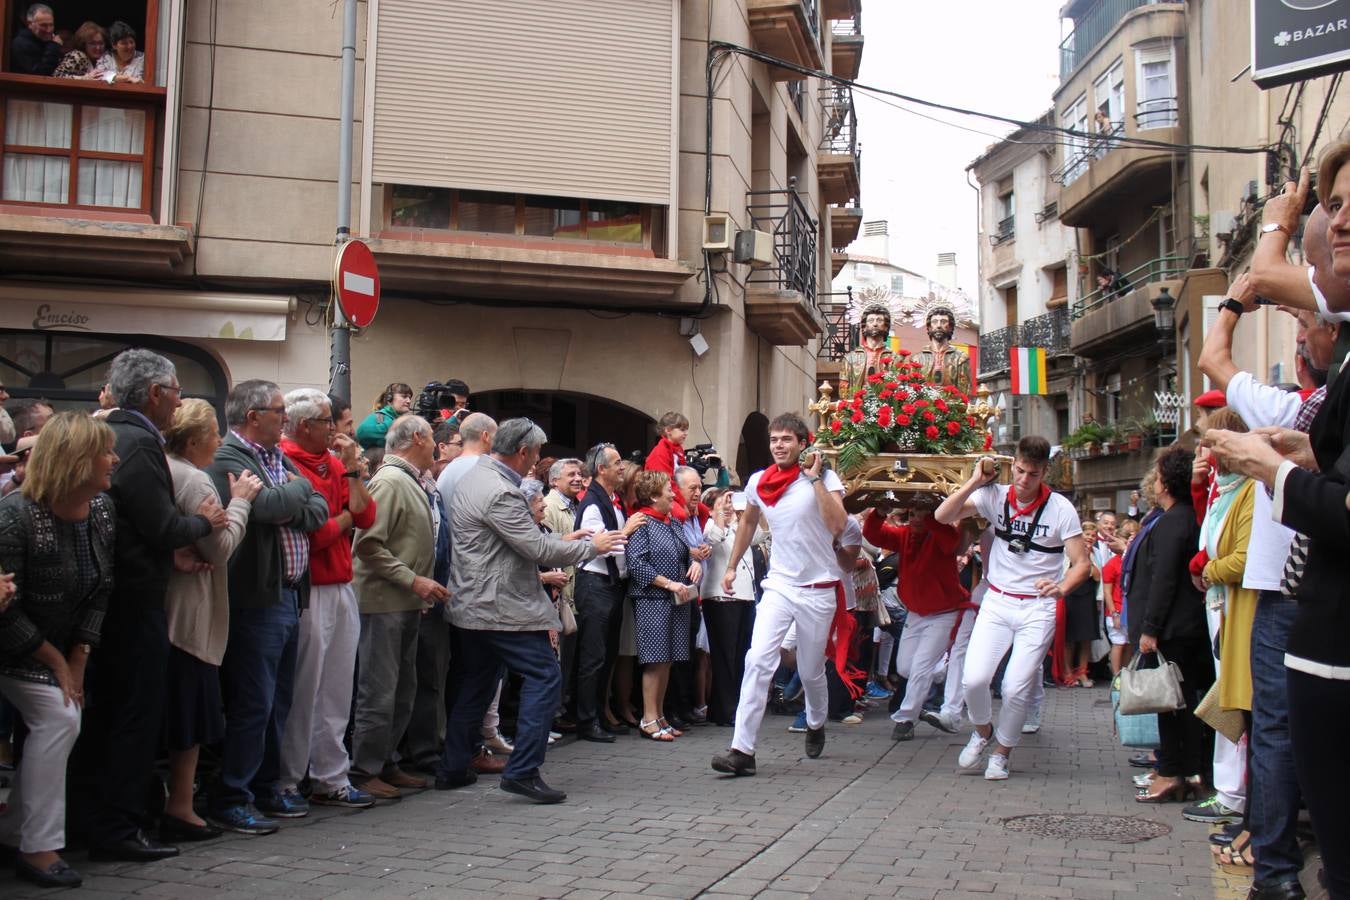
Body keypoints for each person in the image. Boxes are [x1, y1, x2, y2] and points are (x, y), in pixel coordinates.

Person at [72, 349, 225, 862]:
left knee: (114, 717)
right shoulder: (136, 441)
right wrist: (207, 524)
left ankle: (100, 820)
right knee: (132, 717)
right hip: (132, 605)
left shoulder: (126, 437)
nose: (180, 401)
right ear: (156, 393)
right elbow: (160, 526)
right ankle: (118, 828)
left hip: (123, 596)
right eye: (178, 391)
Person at [437, 419, 623, 803]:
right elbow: (536, 549)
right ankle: (522, 771)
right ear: (522, 452)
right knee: (543, 675)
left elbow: (524, 541)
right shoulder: (500, 489)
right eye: (536, 454)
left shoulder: (478, 477)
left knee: (475, 683)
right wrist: (594, 546)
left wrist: (564, 541)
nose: (536, 462)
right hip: (499, 606)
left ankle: (453, 766)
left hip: (476, 602)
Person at [204, 380, 329, 834]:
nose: (286, 419)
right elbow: (271, 507)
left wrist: (291, 497)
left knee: (278, 701)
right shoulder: (231, 457)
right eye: (279, 411)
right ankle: (232, 795)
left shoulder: (277, 458)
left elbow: (317, 511)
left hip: (290, 593)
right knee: (253, 703)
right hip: (257, 600)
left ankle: (264, 786)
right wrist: (295, 494)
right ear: (254, 416)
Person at [0, 412, 116, 888]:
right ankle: (40, 847)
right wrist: (55, 663)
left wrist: (78, 659)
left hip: (63, 648)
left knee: (61, 714)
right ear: (75, 460)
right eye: (104, 451)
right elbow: (7, 609)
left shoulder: (102, 510)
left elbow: (103, 588)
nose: (115, 459)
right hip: (13, 648)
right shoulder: (15, 515)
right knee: (59, 715)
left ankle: (16, 831)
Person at [935, 435, 1089, 781]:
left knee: (1015, 687)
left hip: (1037, 608)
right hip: (997, 601)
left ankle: (1002, 753)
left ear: (1044, 472)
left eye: (1032, 474)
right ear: (1013, 464)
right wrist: (976, 480)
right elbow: (943, 515)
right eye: (1019, 471)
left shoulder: (1061, 509)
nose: (1023, 480)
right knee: (973, 680)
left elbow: (1081, 563)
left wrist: (1061, 586)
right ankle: (983, 732)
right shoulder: (995, 495)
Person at [711, 413, 847, 776]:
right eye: (774, 440)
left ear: (803, 443)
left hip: (818, 589)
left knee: (811, 669)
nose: (779, 446)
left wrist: (815, 479)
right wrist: (730, 566)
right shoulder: (758, 481)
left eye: (787, 439)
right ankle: (742, 750)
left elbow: (838, 525)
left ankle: (816, 722)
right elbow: (749, 522)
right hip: (780, 586)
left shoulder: (825, 477)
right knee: (757, 660)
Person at [161, 400, 261, 843]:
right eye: (215, 434)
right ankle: (180, 806)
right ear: (198, 438)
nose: (220, 442)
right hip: (190, 615)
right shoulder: (194, 478)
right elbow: (218, 549)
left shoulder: (161, 468)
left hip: (163, 610)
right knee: (190, 717)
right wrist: (240, 504)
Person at [277, 389, 378, 811]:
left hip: (339, 584)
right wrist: (345, 517)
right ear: (304, 426)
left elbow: (366, 515)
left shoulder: (335, 462)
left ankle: (330, 776)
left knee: (336, 688)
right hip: (308, 586)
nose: (335, 429)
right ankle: (287, 779)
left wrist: (353, 471)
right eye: (326, 422)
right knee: (304, 689)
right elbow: (317, 534)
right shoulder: (286, 462)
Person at [351, 414, 448, 800]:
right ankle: (364, 769)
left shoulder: (408, 480)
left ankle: (386, 762)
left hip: (405, 603)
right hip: (383, 603)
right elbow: (368, 545)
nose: (437, 445)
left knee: (402, 689)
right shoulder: (391, 481)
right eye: (432, 438)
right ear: (418, 438)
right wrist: (414, 579)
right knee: (379, 690)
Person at [1131, 447, 1214, 804]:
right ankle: (1184, 768)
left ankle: (1172, 773)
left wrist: (1150, 628)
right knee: (1184, 703)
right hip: (1187, 625)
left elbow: (1163, 579)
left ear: (1165, 482)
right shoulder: (1184, 518)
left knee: (1173, 705)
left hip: (1175, 628)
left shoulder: (1173, 522)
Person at [1190, 409, 1257, 836]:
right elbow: (1208, 533)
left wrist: (1209, 570)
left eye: (1209, 441)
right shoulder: (1224, 486)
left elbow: (1241, 557)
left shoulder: (1246, 489)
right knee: (1225, 698)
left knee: (1234, 701)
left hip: (1237, 607)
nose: (1202, 450)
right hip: (1219, 606)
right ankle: (1228, 788)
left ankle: (1236, 793)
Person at [861, 504, 968, 741]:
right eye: (912, 513)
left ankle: (905, 718)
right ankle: (940, 670)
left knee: (920, 666)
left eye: (923, 513)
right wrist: (879, 512)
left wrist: (932, 519)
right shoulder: (904, 535)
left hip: (945, 613)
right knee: (905, 668)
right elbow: (874, 535)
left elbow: (951, 542)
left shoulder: (943, 534)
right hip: (916, 613)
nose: (917, 518)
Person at [572, 444, 644, 739]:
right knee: (594, 655)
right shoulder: (593, 503)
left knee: (607, 654)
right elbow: (596, 547)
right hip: (595, 583)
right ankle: (587, 720)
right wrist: (627, 530)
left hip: (610, 584)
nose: (621, 468)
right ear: (601, 469)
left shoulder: (611, 501)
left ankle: (599, 714)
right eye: (616, 463)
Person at [625, 470, 698, 741]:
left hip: (677, 600)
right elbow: (636, 565)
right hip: (652, 600)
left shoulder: (672, 522)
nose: (673, 492)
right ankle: (648, 718)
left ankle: (660, 716)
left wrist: (695, 565)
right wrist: (668, 584)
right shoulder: (641, 524)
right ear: (654, 496)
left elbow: (685, 555)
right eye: (668, 489)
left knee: (667, 661)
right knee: (654, 661)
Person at [701, 489, 758, 727]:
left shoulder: (740, 524)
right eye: (724, 501)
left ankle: (731, 705)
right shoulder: (709, 524)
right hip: (720, 597)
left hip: (745, 596)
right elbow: (714, 539)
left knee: (740, 654)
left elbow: (759, 536)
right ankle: (725, 710)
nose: (729, 505)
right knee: (724, 656)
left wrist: (753, 510)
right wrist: (719, 514)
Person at [542, 458, 584, 738]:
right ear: (554, 480)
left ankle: (560, 710)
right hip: (557, 593)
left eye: (580, 473)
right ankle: (551, 715)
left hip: (573, 592)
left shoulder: (576, 505)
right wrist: (571, 540)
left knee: (568, 659)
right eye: (571, 474)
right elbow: (546, 547)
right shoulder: (548, 506)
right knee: (554, 659)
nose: (578, 478)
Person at [1100, 518, 1138, 676]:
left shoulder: (1132, 561)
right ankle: (1116, 675)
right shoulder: (1111, 564)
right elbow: (1107, 591)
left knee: (1128, 644)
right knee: (1118, 643)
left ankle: (1126, 672)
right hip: (1116, 609)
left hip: (1129, 609)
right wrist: (1114, 613)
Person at [912, 305, 973, 394]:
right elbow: (913, 389)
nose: (939, 325)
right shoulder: (917, 359)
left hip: (952, 406)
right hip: (925, 406)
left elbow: (965, 392)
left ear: (951, 327)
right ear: (929, 327)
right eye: (935, 322)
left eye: (943, 321)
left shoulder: (960, 358)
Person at [840, 302, 895, 398]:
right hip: (857, 407)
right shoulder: (850, 358)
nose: (875, 324)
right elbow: (844, 388)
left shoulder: (895, 358)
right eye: (871, 320)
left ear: (886, 327)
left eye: (879, 320)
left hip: (886, 407)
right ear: (864, 327)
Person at [356, 382, 414, 450]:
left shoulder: (394, 419)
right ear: (390, 398)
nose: (409, 401)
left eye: (410, 398)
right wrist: (395, 428)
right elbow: (361, 432)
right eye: (404, 396)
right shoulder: (380, 416)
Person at [10, 4, 63, 76]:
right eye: (43, 25)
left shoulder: (46, 41)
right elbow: (40, 73)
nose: (49, 30)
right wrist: (53, 47)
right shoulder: (21, 44)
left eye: (51, 25)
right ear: (30, 24)